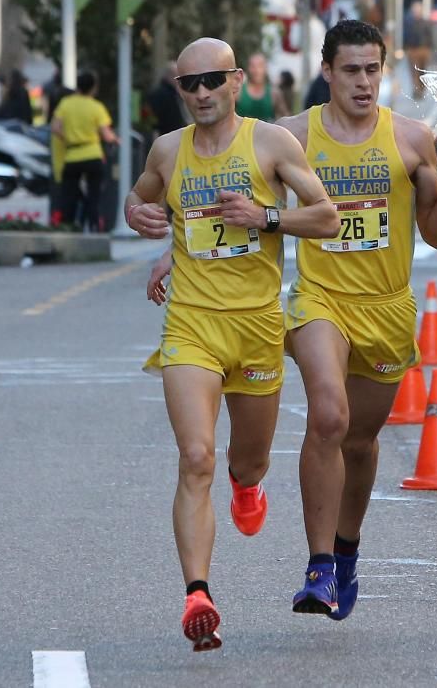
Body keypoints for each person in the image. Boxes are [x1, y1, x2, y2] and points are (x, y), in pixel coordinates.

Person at [127, 37, 339, 651]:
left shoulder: (270, 143)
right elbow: (141, 198)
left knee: (246, 461)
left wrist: (266, 217)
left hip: (256, 327)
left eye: (212, 80)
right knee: (196, 457)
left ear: (236, 80)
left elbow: (325, 216)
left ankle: (249, 485)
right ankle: (199, 593)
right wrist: (137, 214)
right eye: (188, 84)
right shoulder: (168, 150)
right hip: (191, 323)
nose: (200, 93)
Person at [277, 19, 437, 618]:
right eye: (351, 70)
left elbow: (436, 236)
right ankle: (318, 568)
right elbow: (221, 185)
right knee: (329, 416)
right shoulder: (290, 137)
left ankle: (346, 551)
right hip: (319, 300)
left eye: (372, 69)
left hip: (386, 308)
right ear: (327, 71)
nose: (363, 82)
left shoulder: (412, 139)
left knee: (359, 441)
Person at [51, 71, 119, 232]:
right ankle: (94, 226)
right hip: (92, 155)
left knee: (69, 195)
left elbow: (55, 127)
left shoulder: (66, 103)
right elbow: (106, 135)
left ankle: (69, 227)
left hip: (72, 156)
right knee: (94, 195)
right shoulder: (96, 107)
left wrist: (68, 138)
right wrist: (116, 139)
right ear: (93, 88)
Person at [236, 52, 289, 122]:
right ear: (248, 68)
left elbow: (286, 119)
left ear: (266, 68)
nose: (256, 70)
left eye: (260, 66)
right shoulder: (238, 92)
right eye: (253, 66)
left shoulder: (274, 93)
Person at [146, 62, 189, 137]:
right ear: (169, 76)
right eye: (176, 76)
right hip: (166, 134)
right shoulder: (160, 94)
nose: (178, 80)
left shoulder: (175, 93)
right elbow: (153, 118)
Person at [403, 0, 433, 100]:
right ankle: (417, 90)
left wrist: (430, 48)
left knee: (422, 70)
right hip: (412, 49)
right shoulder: (408, 23)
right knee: (414, 71)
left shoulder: (426, 22)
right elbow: (405, 36)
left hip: (423, 49)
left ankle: (422, 88)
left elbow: (430, 36)